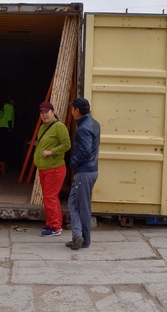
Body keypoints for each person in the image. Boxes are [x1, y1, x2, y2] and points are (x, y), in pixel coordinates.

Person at [65, 97, 100, 250]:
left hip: (84, 172)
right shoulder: (94, 123)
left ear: (77, 111)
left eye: (72, 109)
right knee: (73, 203)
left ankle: (83, 239)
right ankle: (78, 235)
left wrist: (73, 162)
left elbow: (85, 151)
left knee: (82, 206)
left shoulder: (84, 128)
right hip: (90, 170)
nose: (71, 111)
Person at [33, 101, 71, 237]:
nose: (44, 115)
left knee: (50, 198)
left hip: (54, 169)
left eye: (46, 112)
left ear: (52, 112)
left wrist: (51, 152)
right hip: (44, 168)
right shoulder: (44, 126)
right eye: (42, 113)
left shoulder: (59, 127)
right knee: (49, 198)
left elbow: (67, 144)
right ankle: (51, 224)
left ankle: (55, 227)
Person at [0, 95, 15, 165]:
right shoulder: (10, 107)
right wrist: (10, 128)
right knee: (5, 147)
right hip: (6, 129)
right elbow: (9, 118)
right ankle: (5, 163)